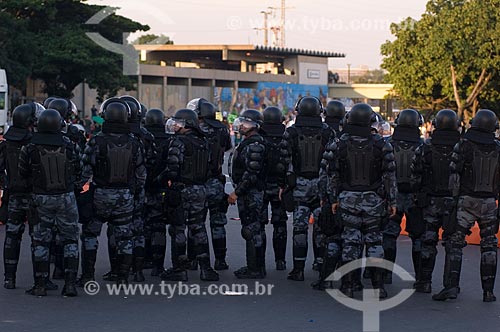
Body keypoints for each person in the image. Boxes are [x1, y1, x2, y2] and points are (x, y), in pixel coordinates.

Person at [325, 103, 397, 298]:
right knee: (375, 243)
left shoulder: (338, 144)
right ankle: (378, 287)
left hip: (347, 199)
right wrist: (392, 201)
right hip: (374, 200)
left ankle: (348, 286)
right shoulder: (382, 145)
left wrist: (332, 199)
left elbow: (332, 175)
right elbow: (390, 176)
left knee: (350, 243)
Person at [433, 109, 500, 302]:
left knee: (454, 243)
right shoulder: (498, 148)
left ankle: (451, 287)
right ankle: (488, 292)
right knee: (489, 246)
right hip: (489, 203)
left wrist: (454, 202)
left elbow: (454, 175)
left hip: (466, 201)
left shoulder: (463, 145)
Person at [79, 98, 146, 285]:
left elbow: (86, 170)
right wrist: (135, 191)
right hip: (125, 195)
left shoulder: (97, 140)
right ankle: (122, 276)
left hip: (100, 193)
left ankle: (87, 276)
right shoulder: (134, 142)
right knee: (125, 236)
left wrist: (78, 189)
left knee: (91, 234)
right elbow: (141, 173)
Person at [19, 109, 84, 296]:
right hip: (66, 197)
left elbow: (23, 172)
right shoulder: (70, 145)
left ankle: (40, 285)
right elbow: (79, 169)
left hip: (40, 198)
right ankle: (70, 284)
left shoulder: (30, 147)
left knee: (40, 241)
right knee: (70, 240)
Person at [158, 109, 219, 282]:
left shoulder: (178, 142)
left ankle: (179, 268)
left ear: (187, 124)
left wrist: (158, 180)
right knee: (198, 228)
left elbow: (172, 169)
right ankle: (206, 269)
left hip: (181, 190)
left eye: (178, 123)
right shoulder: (203, 142)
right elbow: (211, 167)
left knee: (178, 229)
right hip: (200, 190)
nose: (175, 126)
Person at [411, 109, 462, 294]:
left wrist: (418, 196)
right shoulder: (463, 147)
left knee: (428, 241)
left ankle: (424, 281)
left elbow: (415, 176)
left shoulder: (425, 147)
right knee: (453, 244)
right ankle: (451, 285)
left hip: (430, 201)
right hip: (454, 203)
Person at [283, 97, 333, 281]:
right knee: (321, 228)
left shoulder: (291, 132)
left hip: (299, 186)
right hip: (321, 186)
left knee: (299, 228)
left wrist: (287, 184)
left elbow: (284, 160)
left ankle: (298, 269)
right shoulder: (328, 132)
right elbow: (332, 161)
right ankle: (320, 264)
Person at [187, 98, 232, 271]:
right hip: (216, 181)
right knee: (218, 223)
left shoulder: (194, 129)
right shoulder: (222, 130)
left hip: (197, 182)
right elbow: (227, 147)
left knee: (195, 223)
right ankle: (220, 260)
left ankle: (193, 259)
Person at [383, 109, 424, 284]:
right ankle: (422, 279)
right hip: (416, 198)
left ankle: (385, 276)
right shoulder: (424, 146)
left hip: (392, 196)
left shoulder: (387, 144)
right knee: (419, 237)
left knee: (389, 235)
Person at [0, 103, 38, 289]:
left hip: (13, 195)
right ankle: (40, 279)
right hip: (33, 196)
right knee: (38, 238)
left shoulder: (6, 144)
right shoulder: (34, 143)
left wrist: (6, 184)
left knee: (12, 236)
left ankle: (9, 278)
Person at [229, 109, 268, 279]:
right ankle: (256, 266)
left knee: (252, 230)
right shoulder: (248, 142)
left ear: (255, 126)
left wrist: (237, 193)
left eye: (246, 123)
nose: (242, 126)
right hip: (249, 192)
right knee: (254, 230)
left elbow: (251, 173)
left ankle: (255, 268)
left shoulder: (255, 145)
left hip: (251, 194)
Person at [260, 106, 288, 270]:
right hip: (280, 186)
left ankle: (260, 261)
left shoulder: (259, 136)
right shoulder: (286, 136)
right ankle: (280, 261)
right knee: (280, 224)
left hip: (262, 185)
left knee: (260, 224)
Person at [143, 108, 171, 276]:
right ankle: (158, 265)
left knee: (142, 226)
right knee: (159, 227)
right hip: (161, 188)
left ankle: (142, 261)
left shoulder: (141, 137)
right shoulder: (169, 139)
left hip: (143, 188)